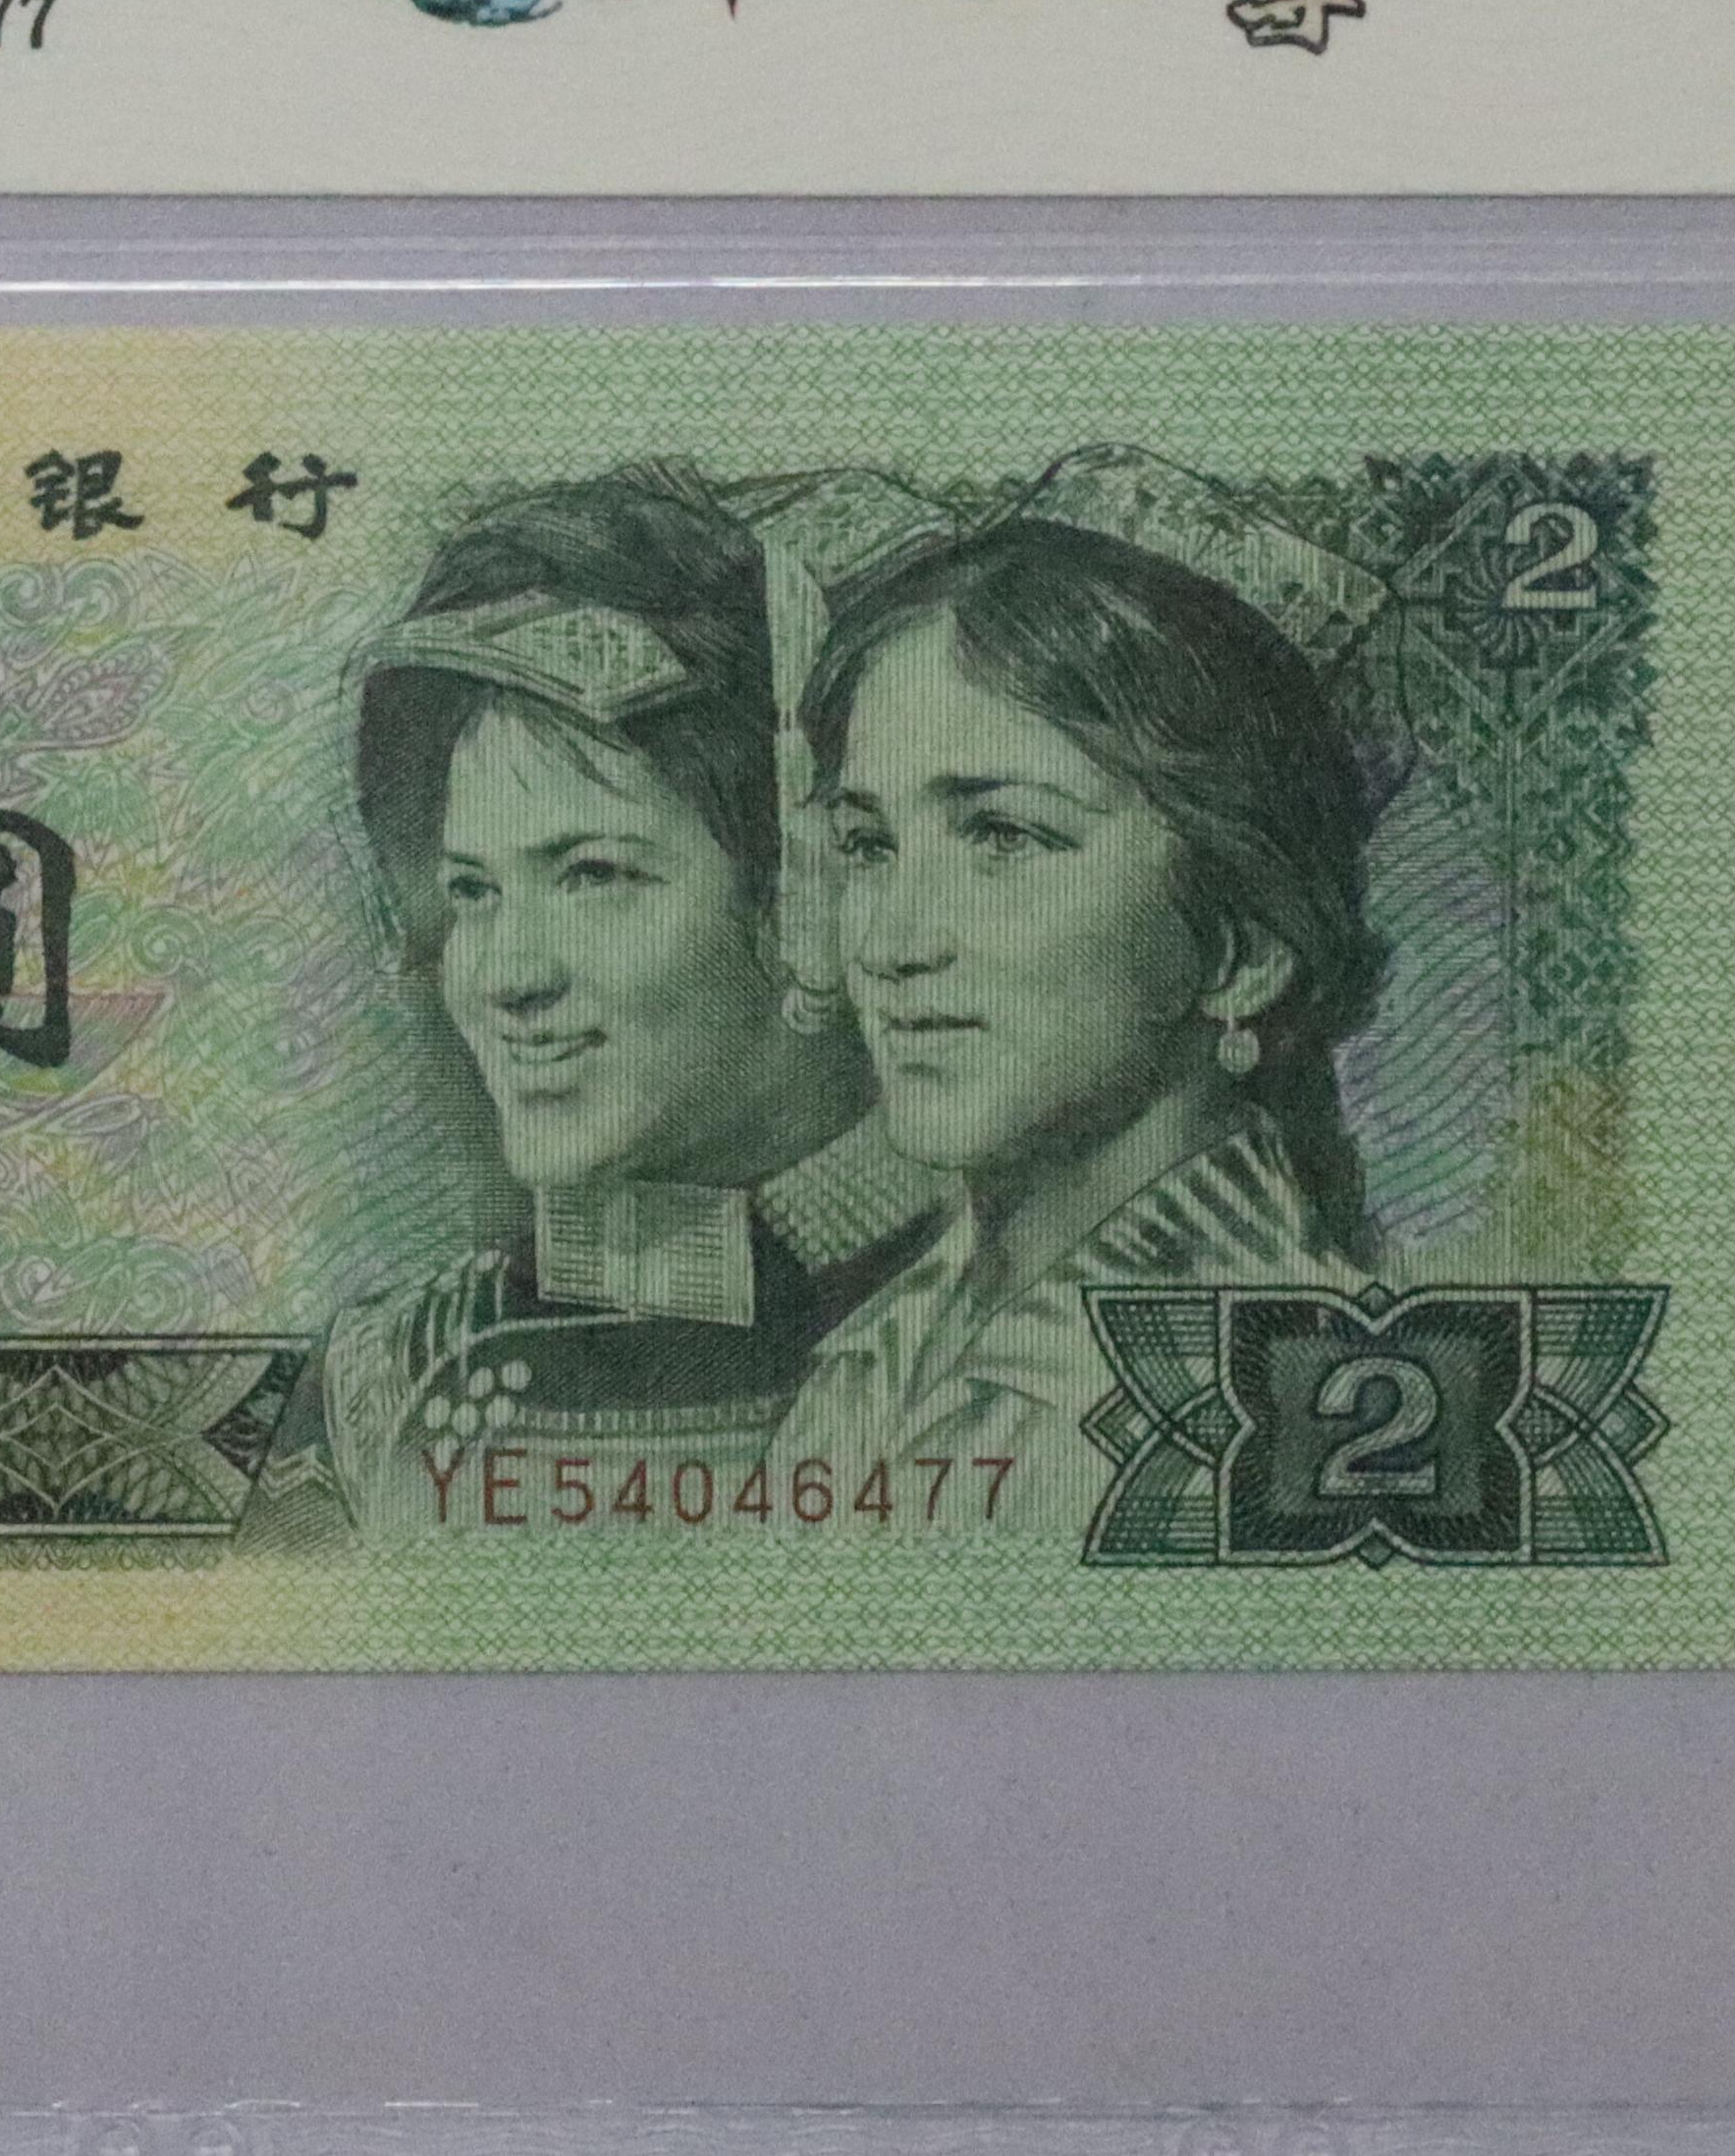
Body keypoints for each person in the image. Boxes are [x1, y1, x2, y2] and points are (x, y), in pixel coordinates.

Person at [246, 463, 956, 1541]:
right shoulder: (388, 1386)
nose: (506, 975)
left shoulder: (1026, 1322)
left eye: (592, 874)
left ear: (802, 893)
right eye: (472, 892)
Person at [761, 448, 1391, 1535]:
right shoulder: (880, 1349)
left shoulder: (1276, 1406)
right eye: (868, 845)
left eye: (1003, 835)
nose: (891, 942)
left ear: (1241, 948)